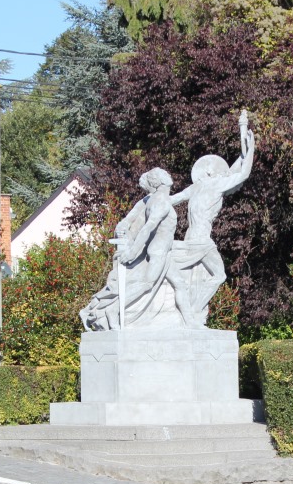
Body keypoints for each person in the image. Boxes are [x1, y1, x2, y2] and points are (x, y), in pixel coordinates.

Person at [167, 119, 255, 327]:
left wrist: (242, 131)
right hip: (202, 241)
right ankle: (195, 311)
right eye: (216, 168)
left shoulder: (195, 187)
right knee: (219, 275)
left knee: (194, 278)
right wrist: (251, 149)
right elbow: (242, 172)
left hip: (190, 238)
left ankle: (192, 315)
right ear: (210, 172)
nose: (220, 171)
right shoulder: (215, 186)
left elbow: (170, 199)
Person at [80, 168, 177, 331]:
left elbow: (185, 195)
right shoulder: (160, 202)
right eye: (164, 174)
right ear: (160, 181)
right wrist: (131, 253)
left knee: (180, 283)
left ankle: (191, 320)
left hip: (166, 251)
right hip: (159, 251)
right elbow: (147, 228)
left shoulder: (157, 199)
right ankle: (114, 310)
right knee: (147, 284)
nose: (169, 175)